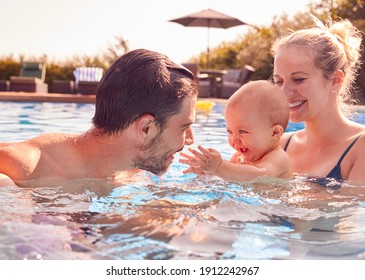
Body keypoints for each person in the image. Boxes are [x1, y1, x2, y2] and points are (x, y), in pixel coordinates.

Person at [0, 49, 198, 187]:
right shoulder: (18, 170)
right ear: (146, 128)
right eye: (184, 127)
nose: (190, 139)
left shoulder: (128, 176)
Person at [271, 16, 365, 186]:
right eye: (279, 81)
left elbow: (347, 207)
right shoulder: (278, 144)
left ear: (336, 80)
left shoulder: (360, 147)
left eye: (298, 79)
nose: (285, 92)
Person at [179, 80, 291, 182]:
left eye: (242, 131)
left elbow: (260, 174)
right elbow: (226, 177)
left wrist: (219, 166)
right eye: (230, 132)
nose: (235, 140)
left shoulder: (279, 158)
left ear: (275, 133)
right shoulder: (239, 156)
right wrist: (206, 172)